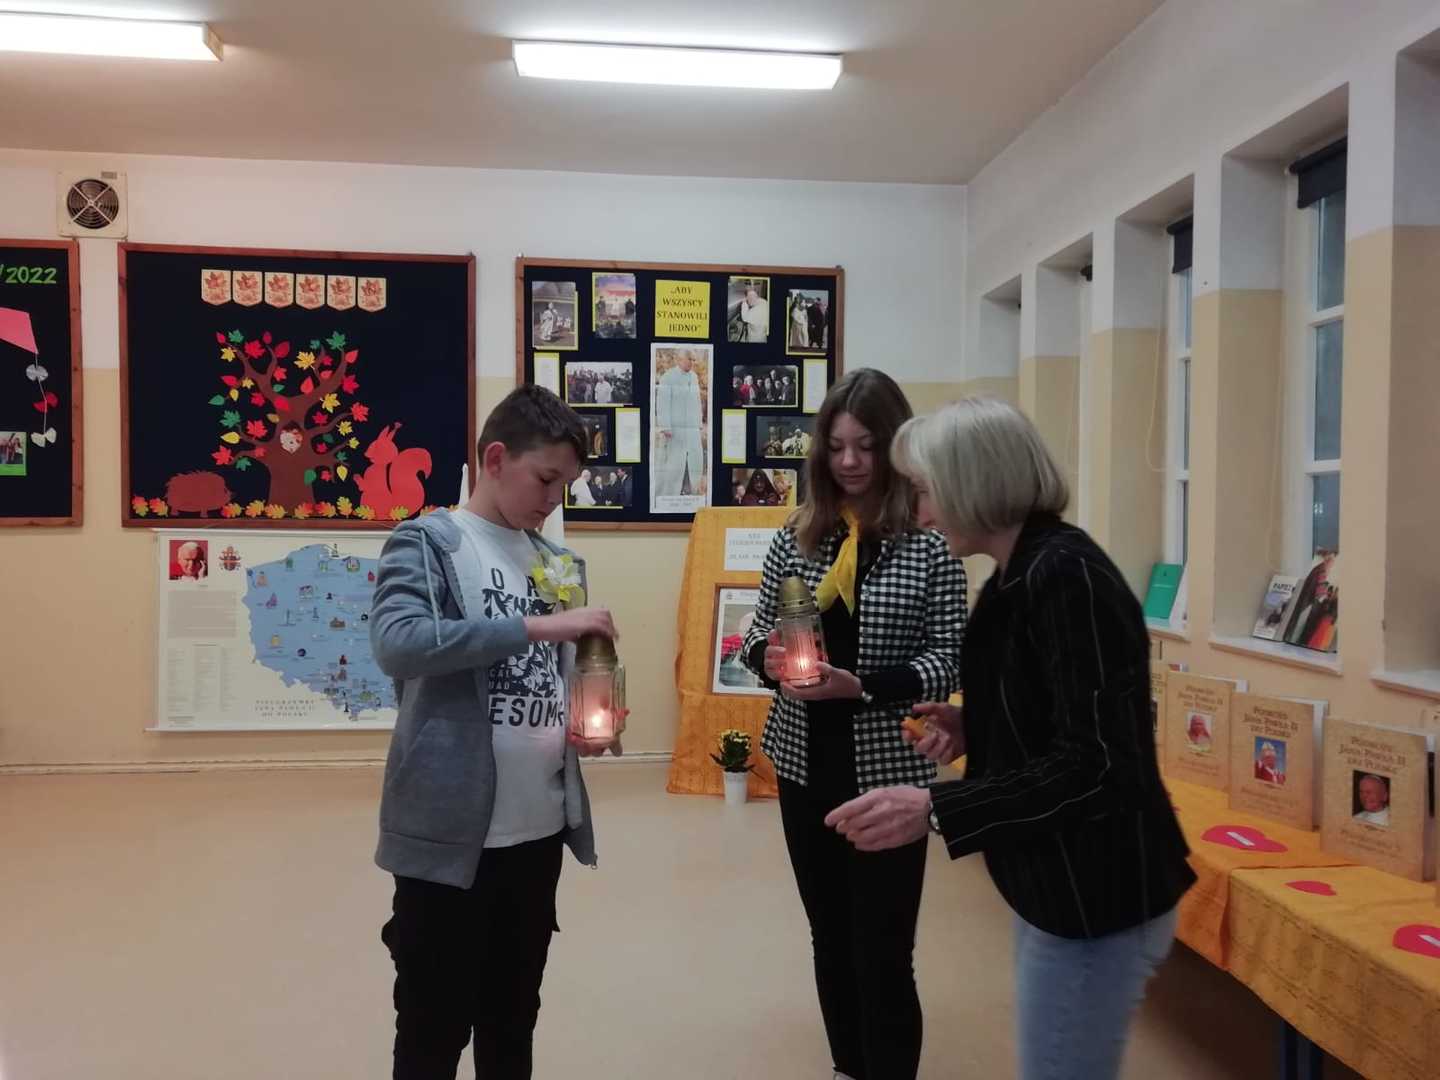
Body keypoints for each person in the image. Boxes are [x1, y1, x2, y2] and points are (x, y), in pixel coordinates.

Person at [826, 396, 1195, 1080]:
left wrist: (934, 806)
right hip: (1054, 884)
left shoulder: (1065, 577)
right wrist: (976, 725)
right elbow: (1058, 712)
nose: (922, 512)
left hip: (1097, 893)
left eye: (925, 490)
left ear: (972, 484)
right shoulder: (1014, 574)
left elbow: (1094, 763)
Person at [371, 385, 624, 1080]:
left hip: (536, 833)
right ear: (494, 458)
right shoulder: (428, 543)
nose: (554, 499)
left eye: (565, 486)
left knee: (513, 1019)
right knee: (433, 1025)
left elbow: (561, 679)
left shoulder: (558, 563)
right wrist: (539, 626)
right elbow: (399, 644)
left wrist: (589, 724)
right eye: (545, 479)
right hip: (449, 842)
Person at [740, 368, 966, 1080]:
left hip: (888, 772)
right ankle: (848, 1065)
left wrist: (862, 686)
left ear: (896, 449)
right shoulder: (797, 536)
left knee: (884, 946)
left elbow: (948, 658)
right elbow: (756, 632)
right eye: (837, 446)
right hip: (805, 764)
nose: (850, 462)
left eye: (866, 446)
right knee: (830, 935)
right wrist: (765, 657)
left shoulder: (931, 542)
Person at [654, 351, 705, 498]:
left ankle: (691, 491)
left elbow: (697, 401)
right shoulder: (668, 377)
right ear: (680, 359)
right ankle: (670, 494)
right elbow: (662, 403)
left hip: (692, 429)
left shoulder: (694, 377)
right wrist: (666, 426)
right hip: (674, 430)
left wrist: (699, 424)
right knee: (674, 464)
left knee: (694, 461)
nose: (692, 363)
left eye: (693, 360)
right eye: (689, 359)